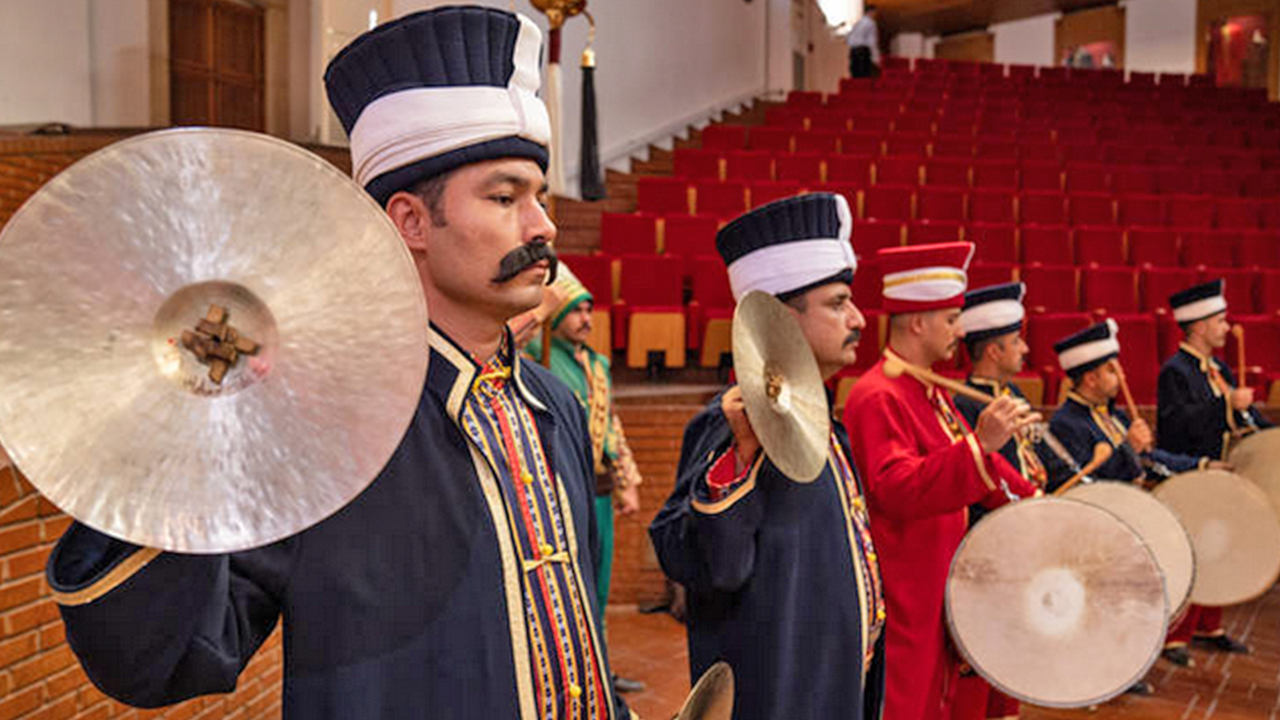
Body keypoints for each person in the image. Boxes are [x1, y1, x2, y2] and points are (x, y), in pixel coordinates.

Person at [45, 8, 633, 719]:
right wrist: (181, 428)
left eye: (540, 197)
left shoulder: (553, 403)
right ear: (410, 221)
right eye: (505, 197)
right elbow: (159, 662)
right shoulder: (318, 426)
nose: (543, 226)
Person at [650, 193, 885, 720]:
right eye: (838, 303)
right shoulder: (728, 425)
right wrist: (740, 455)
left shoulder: (829, 427)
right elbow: (702, 563)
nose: (859, 319)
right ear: (778, 319)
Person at [843, 242, 1039, 720]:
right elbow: (896, 489)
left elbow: (979, 467)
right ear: (917, 322)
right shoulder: (878, 394)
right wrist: (981, 444)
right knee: (906, 704)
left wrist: (1035, 503)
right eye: (951, 319)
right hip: (906, 588)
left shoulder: (927, 388)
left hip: (936, 581)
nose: (961, 330)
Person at [950, 281, 1074, 720]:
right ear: (993, 351)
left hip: (1023, 531)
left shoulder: (1013, 396)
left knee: (1014, 646)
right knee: (983, 646)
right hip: (988, 540)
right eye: (1016, 341)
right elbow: (980, 476)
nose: (1025, 349)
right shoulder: (965, 405)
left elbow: (1038, 457)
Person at [523, 263, 646, 694]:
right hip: (559, 490)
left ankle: (600, 670)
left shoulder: (596, 364)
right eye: (575, 310)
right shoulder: (538, 358)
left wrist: (627, 480)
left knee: (598, 582)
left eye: (589, 310)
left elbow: (610, 423)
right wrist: (542, 309)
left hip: (599, 490)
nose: (585, 318)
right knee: (567, 584)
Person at [1156, 279, 1262, 664]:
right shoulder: (1175, 371)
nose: (1226, 328)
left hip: (1221, 473)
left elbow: (1241, 416)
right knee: (1193, 551)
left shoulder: (1218, 368)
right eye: (1220, 321)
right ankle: (1175, 635)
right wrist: (1226, 404)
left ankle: (1208, 625)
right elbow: (1177, 425)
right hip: (1192, 474)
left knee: (1218, 548)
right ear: (1199, 327)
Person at [847, 5, 881, 78]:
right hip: (863, 51)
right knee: (864, 76)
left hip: (854, 50)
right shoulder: (871, 23)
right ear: (871, 12)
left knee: (855, 75)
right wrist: (876, 58)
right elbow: (872, 42)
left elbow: (850, 38)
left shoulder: (857, 23)